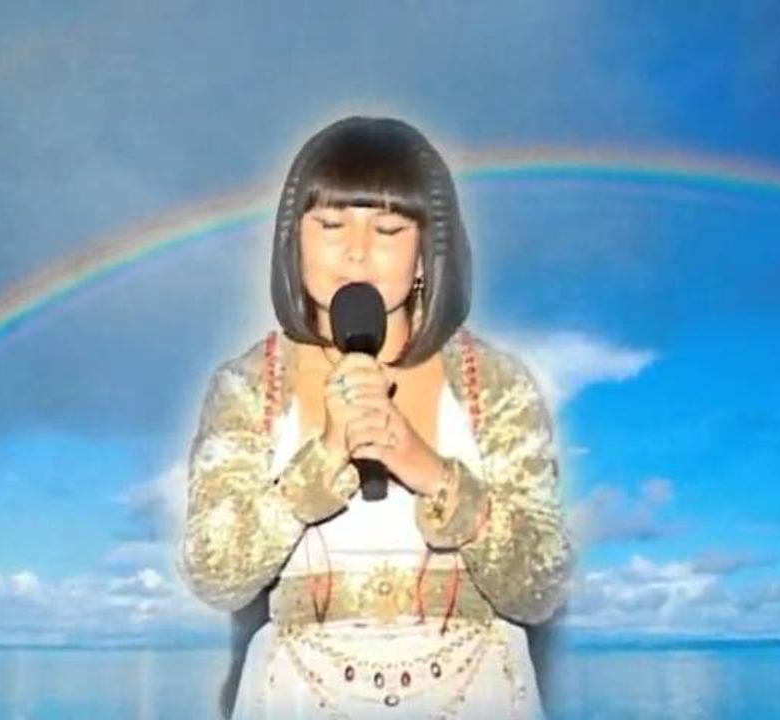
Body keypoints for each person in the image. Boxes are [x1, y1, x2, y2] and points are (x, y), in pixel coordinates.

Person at [176, 116, 574, 719]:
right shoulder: (249, 385)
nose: (356, 250)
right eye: (330, 224)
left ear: (426, 251)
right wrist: (323, 458)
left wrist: (430, 471)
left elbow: (540, 588)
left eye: (387, 229)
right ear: (294, 240)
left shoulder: (495, 384)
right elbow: (215, 573)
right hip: (297, 697)